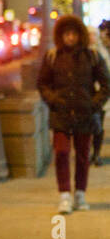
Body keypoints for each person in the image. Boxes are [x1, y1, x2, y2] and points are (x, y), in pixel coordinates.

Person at [38, 15, 110, 212]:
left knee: (83, 155)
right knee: (61, 152)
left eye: (74, 34)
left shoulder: (92, 56)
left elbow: (106, 84)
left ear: (80, 35)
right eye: (66, 34)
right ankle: (64, 194)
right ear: (61, 35)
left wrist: (93, 104)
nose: (70, 38)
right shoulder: (53, 56)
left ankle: (80, 193)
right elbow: (42, 83)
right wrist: (53, 100)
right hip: (61, 113)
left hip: (84, 114)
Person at [93, 21, 110, 166]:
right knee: (94, 124)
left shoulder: (104, 50)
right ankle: (94, 154)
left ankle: (96, 154)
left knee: (98, 124)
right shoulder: (94, 50)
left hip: (102, 93)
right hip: (92, 92)